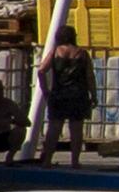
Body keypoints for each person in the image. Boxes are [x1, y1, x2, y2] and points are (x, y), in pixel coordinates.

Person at [39, 24, 93, 166]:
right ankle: (75, 161)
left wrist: (45, 90)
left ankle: (47, 160)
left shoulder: (55, 52)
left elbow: (41, 70)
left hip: (58, 95)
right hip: (78, 95)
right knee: (76, 130)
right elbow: (90, 77)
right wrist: (94, 94)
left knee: (54, 129)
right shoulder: (82, 53)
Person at [0, 78, 21, 162]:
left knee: (20, 130)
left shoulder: (8, 104)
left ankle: (9, 157)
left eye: (1, 89)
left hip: (3, 137)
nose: (0, 92)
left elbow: (27, 122)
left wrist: (10, 121)